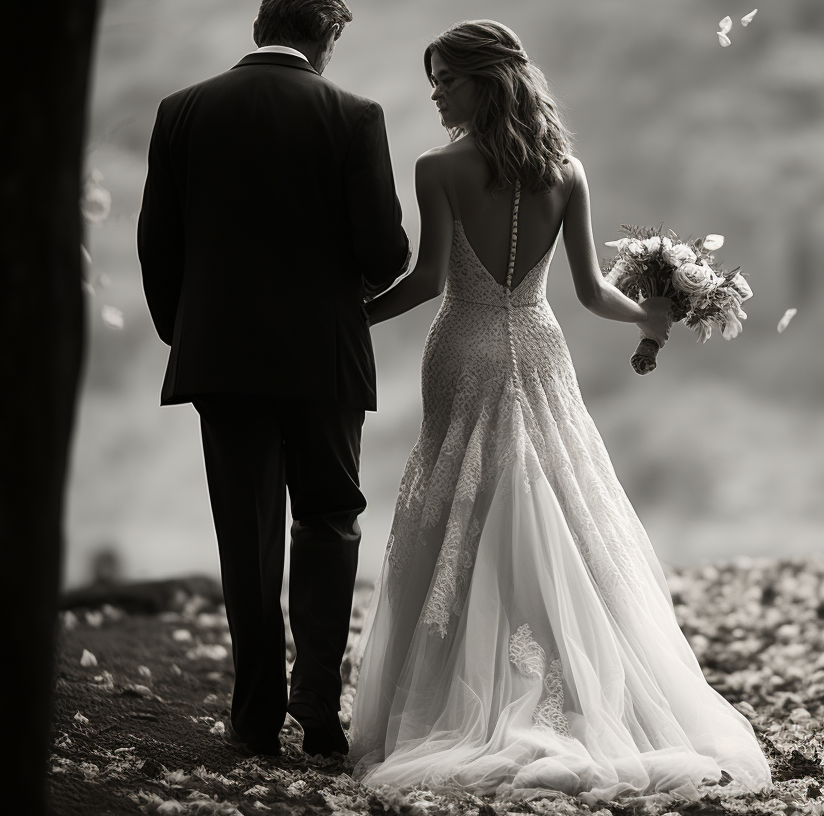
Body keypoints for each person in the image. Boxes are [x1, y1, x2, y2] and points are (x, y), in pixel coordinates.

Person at [348, 19, 772, 801]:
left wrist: (350, 316)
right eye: (432, 78)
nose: (436, 91)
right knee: (554, 502)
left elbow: (428, 283)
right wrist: (649, 321)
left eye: (447, 78)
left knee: (465, 502)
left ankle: (468, 691)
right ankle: (570, 682)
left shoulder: (437, 169)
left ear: (486, 80)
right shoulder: (566, 171)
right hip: (541, 349)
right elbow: (588, 293)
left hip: (463, 347)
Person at [138, 0, 410, 759]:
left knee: (247, 536)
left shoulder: (181, 111)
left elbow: (157, 242)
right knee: (328, 517)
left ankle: (253, 718)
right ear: (326, 36)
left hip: (220, 356)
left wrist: (187, 333)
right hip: (323, 358)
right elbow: (387, 255)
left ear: (261, 29)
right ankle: (316, 698)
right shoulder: (354, 115)